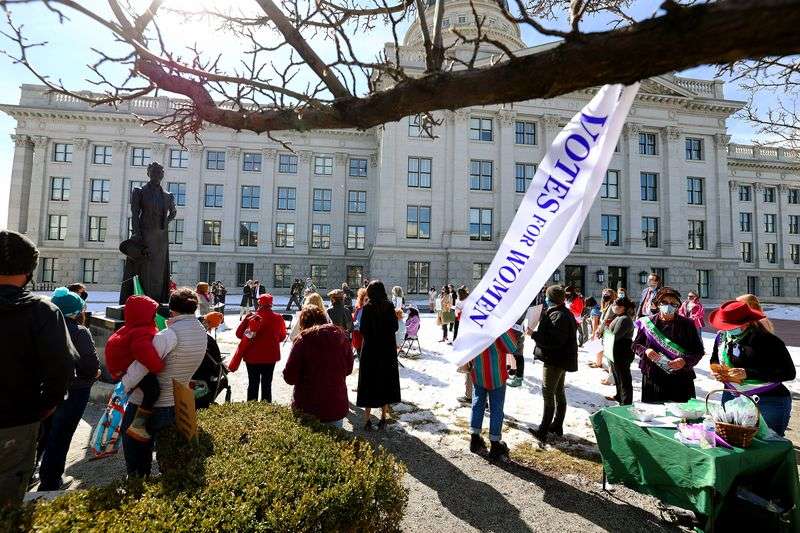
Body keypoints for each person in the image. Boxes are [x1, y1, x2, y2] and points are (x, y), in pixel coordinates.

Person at [0, 231, 76, 506]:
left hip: (19, 419)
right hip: (17, 422)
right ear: (30, 269)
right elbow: (62, 368)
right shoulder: (43, 311)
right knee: (8, 503)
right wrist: (45, 406)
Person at [120, 288, 208, 478]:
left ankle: (137, 485)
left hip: (148, 404)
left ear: (173, 309)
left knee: (135, 447)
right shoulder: (201, 331)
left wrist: (124, 385)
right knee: (167, 451)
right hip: (176, 400)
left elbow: (143, 365)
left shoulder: (168, 335)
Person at [37, 288, 98, 491]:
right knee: (61, 434)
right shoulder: (79, 332)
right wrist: (95, 374)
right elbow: (89, 366)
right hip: (74, 390)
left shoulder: (40, 327)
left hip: (43, 387)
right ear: (76, 312)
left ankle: (31, 472)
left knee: (43, 432)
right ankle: (51, 480)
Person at [709, 300, 796, 436]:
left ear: (748, 322)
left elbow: (788, 372)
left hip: (767, 400)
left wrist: (748, 373)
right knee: (734, 439)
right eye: (726, 325)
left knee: (767, 444)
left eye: (733, 325)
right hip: (733, 396)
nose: (728, 329)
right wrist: (718, 372)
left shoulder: (768, 341)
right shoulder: (722, 337)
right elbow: (715, 359)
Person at [105, 295, 165, 442]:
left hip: (120, 367)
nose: (155, 315)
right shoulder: (142, 332)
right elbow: (145, 354)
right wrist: (158, 366)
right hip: (126, 368)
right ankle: (138, 425)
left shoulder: (131, 327)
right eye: (153, 313)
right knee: (153, 391)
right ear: (145, 315)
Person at [284, 306, 354, 428]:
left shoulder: (302, 341)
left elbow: (290, 377)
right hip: (336, 403)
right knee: (335, 444)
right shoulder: (342, 338)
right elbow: (348, 369)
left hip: (307, 405)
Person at [632, 287, 705, 403]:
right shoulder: (647, 323)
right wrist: (646, 351)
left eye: (673, 304)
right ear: (657, 304)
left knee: (683, 417)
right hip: (653, 375)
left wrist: (684, 361)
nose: (668, 306)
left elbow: (698, 351)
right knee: (656, 415)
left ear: (678, 306)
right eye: (664, 302)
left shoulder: (687, 324)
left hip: (680, 376)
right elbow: (636, 344)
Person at [528, 286, 578, 444]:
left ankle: (543, 430)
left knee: (548, 392)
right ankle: (556, 425)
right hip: (560, 359)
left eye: (547, 296)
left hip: (554, 360)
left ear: (552, 298)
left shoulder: (558, 315)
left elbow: (555, 341)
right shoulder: (561, 312)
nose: (545, 299)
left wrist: (533, 334)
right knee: (558, 391)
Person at [469, 329, 519, 461]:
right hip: (497, 373)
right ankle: (495, 443)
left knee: (477, 404)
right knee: (496, 409)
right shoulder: (500, 325)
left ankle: (474, 438)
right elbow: (511, 346)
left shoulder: (475, 320)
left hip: (478, 371)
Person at [356, 281, 400, 430]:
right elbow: (395, 327)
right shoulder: (389, 307)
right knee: (385, 382)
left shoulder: (367, 308)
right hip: (386, 350)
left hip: (370, 350)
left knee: (369, 383)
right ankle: (382, 418)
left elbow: (363, 329)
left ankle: (367, 419)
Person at [230, 294, 287, 402]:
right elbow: (282, 336)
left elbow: (238, 334)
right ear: (271, 304)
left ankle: (252, 409)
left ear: (259, 303)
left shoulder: (251, 317)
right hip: (270, 356)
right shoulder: (278, 317)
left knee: (253, 383)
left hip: (251, 356)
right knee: (267, 384)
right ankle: (266, 410)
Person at [604, 297, 635, 405]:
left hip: (622, 351)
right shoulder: (619, 317)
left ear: (623, 308)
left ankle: (626, 401)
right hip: (615, 350)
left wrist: (605, 333)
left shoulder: (625, 319)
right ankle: (619, 396)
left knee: (624, 378)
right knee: (617, 376)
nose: (614, 307)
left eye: (616, 305)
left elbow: (616, 335)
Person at [507, 310, 527, 388]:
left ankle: (519, 378)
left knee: (518, 355)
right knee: (516, 355)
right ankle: (518, 375)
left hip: (517, 331)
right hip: (517, 330)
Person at [352, 288, 368, 358]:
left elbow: (357, 325)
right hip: (361, 338)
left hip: (361, 338)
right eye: (366, 299)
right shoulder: (363, 309)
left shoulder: (362, 309)